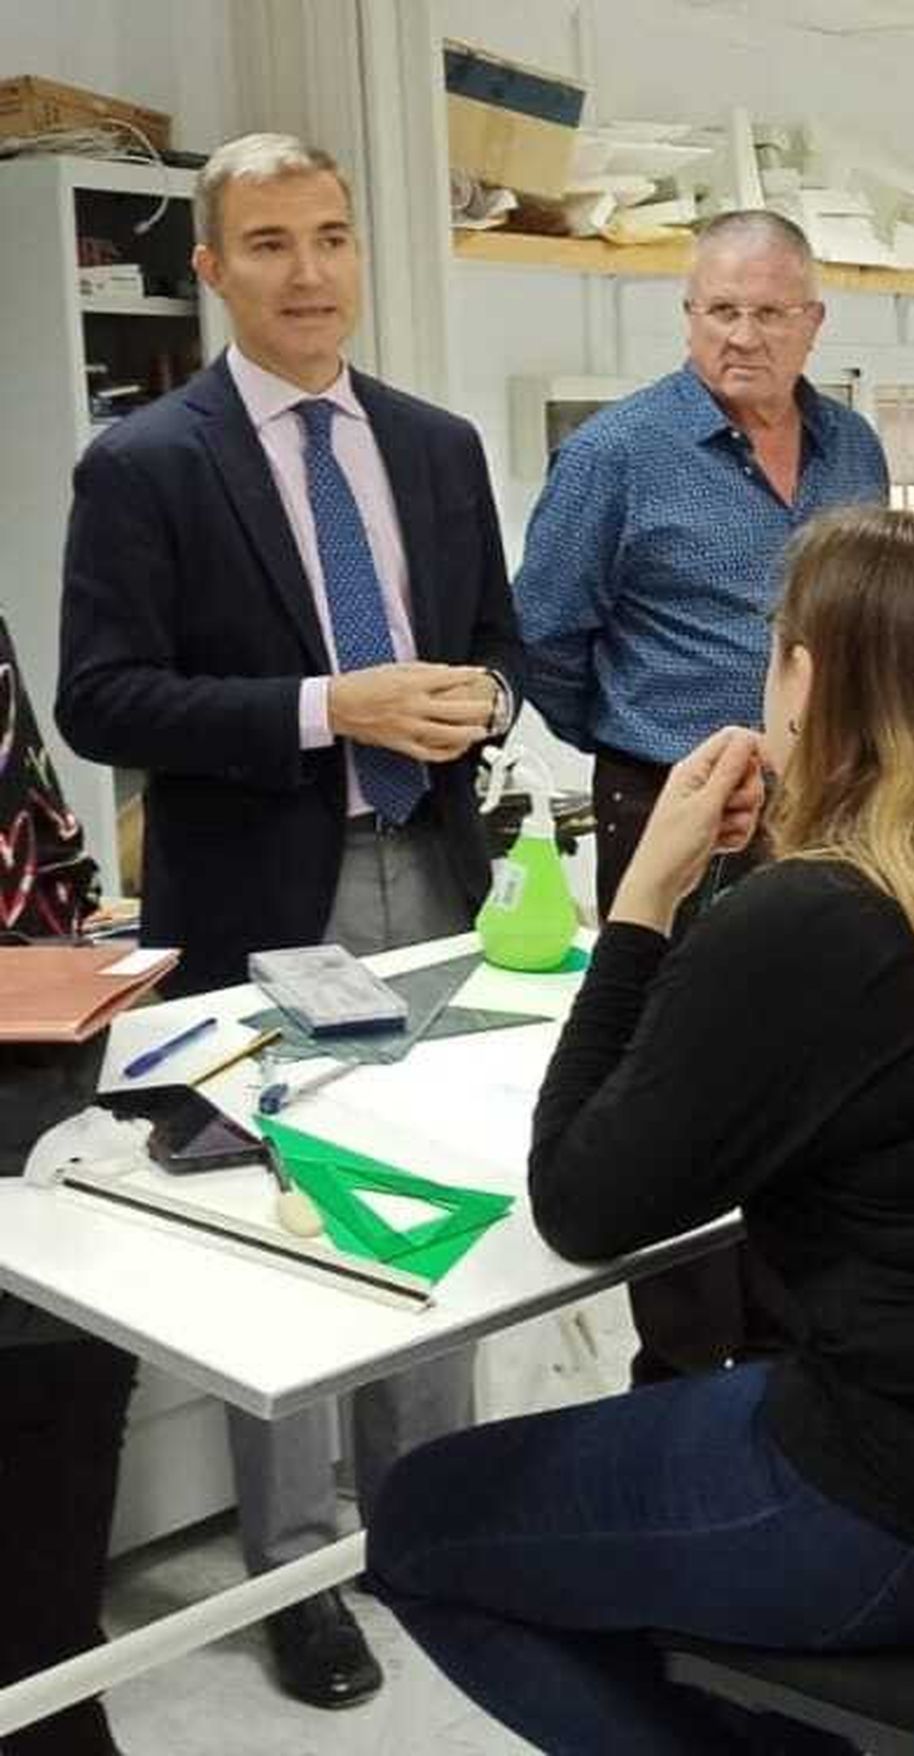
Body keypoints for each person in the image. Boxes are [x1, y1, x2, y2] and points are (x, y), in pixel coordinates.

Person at [366, 506, 914, 1755]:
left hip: (906, 1490)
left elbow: (582, 1203)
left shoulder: (820, 913)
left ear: (803, 675)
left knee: (421, 1525)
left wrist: (645, 899)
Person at [55, 133, 524, 1711]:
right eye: (268, 243)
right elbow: (103, 698)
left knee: (435, 1200)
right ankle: (299, 1568)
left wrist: (483, 699)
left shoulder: (438, 445)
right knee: (288, 1230)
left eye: (331, 235)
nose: (308, 271)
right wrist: (338, 706)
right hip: (264, 900)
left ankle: (434, 1526)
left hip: (433, 873)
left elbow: (499, 646)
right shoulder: (148, 463)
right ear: (210, 268)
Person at [514, 208, 888, 1381]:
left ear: (811, 323)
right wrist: (644, 756)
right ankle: (680, 1368)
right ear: (687, 317)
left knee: (812, 1069)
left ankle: (790, 1349)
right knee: (674, 1079)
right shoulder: (618, 456)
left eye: (769, 312)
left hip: (828, 805)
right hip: (674, 806)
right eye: (719, 310)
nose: (742, 336)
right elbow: (543, 638)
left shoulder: (854, 450)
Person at [1, 613, 136, 1756]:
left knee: (74, 1365)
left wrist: (89, 937)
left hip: (34, 1064)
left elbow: (30, 819)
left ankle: (57, 1695)